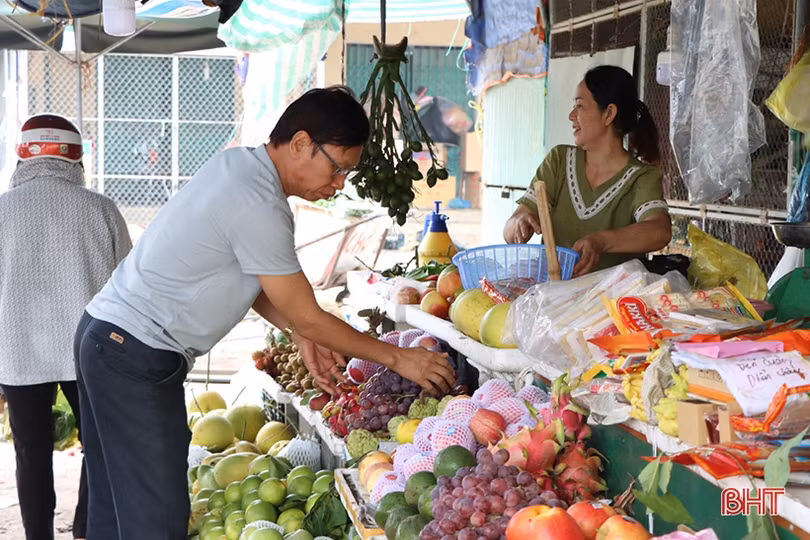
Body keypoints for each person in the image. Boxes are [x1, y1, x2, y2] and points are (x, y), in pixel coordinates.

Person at [74, 86, 456, 539]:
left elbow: (257, 283)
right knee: (153, 521)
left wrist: (297, 331)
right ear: (299, 143)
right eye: (338, 168)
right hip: (133, 351)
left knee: (115, 511)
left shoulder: (238, 166)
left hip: (107, 338)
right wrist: (398, 358)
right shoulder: (259, 202)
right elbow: (308, 312)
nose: (338, 185)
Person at [0, 114, 132, 540]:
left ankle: (38, 535)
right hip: (89, 351)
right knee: (98, 448)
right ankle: (85, 530)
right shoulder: (101, 208)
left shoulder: (2, 212)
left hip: (18, 352)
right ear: (76, 157)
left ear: (23, 155)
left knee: (30, 454)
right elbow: (128, 283)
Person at [503, 65, 672, 277]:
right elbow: (509, 231)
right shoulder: (559, 161)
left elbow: (659, 231)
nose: (572, 116)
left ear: (609, 113)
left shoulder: (641, 177)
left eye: (580, 106)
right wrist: (518, 224)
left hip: (609, 303)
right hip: (553, 299)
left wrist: (602, 242)